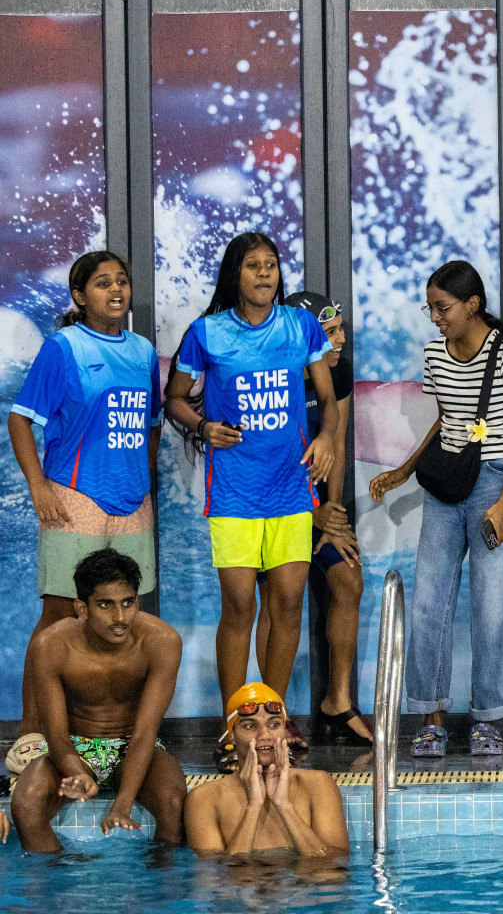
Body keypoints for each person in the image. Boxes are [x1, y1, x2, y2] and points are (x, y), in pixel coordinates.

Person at [163, 231, 339, 770]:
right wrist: (204, 424)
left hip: (291, 487)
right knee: (241, 607)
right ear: (234, 275)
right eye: (253, 266)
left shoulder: (300, 326)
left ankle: (274, 724)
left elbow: (328, 399)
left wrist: (327, 438)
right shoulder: (207, 333)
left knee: (287, 604)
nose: (265, 274)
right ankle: (232, 727)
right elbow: (174, 399)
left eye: (272, 265)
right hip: (235, 492)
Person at [369, 261, 503, 757]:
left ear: (473, 305)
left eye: (442, 308)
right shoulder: (434, 354)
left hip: (494, 483)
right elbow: (447, 421)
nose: (435, 318)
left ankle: (488, 717)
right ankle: (430, 715)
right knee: (429, 602)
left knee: (492, 607)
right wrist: (402, 471)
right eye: (431, 308)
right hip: (448, 487)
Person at [6, 252, 161, 775]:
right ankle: (32, 732)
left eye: (122, 281)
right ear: (79, 296)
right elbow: (22, 419)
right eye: (101, 283)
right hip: (74, 495)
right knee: (58, 617)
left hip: (131, 502)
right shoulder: (64, 347)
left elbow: (153, 423)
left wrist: (145, 480)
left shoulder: (142, 352)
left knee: (130, 617)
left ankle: (125, 736)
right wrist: (38, 486)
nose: (115, 290)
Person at [254, 292, 372, 747]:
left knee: (349, 581)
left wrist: (333, 512)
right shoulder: (269, 371)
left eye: (341, 329)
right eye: (329, 333)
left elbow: (335, 442)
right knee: (275, 598)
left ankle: (337, 701)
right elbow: (263, 457)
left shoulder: (336, 370)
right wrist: (311, 511)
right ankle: (271, 713)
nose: (340, 341)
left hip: (318, 506)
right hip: (271, 505)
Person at [10, 549, 185, 853]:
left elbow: (145, 733)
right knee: (26, 802)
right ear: (82, 608)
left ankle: (160, 889)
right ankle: (56, 882)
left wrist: (123, 804)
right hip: (75, 747)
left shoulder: (162, 641)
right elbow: (56, 735)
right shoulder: (51, 645)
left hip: (135, 744)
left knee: (174, 803)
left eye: (127, 603)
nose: (120, 618)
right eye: (106, 605)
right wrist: (74, 771)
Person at [185, 682, 348, 857]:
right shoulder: (204, 799)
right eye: (249, 726)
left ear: (285, 731)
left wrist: (285, 806)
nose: (264, 736)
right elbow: (218, 881)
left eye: (274, 725)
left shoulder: (318, 784)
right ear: (231, 735)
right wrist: (253, 808)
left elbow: (334, 870)